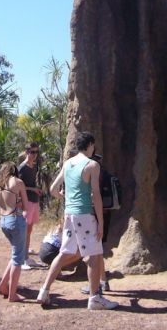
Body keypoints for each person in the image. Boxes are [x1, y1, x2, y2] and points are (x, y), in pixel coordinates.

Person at [36, 131, 118, 311]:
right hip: (85, 215)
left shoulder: (68, 163)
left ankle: (43, 291)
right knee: (95, 255)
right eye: (93, 145)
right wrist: (101, 223)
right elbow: (96, 196)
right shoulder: (92, 165)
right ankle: (95, 297)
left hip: (69, 215)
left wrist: (64, 196)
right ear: (90, 145)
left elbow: (52, 189)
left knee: (63, 253)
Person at [0, 161, 30, 302]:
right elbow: (26, 206)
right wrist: (20, 204)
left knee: (16, 254)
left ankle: (3, 285)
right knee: (17, 259)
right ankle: (12, 294)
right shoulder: (18, 182)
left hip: (3, 221)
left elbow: (2, 204)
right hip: (16, 220)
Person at [80, 153, 111, 294]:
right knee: (98, 250)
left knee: (92, 252)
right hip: (104, 213)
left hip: (94, 213)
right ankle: (103, 281)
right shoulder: (103, 172)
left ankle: (96, 284)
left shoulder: (95, 173)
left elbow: (94, 194)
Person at [17, 142, 43, 270]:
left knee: (29, 229)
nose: (34, 155)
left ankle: (26, 256)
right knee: (25, 230)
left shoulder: (33, 167)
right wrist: (33, 189)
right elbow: (18, 186)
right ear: (26, 152)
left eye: (36, 152)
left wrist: (35, 190)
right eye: (32, 152)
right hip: (26, 201)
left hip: (34, 200)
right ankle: (22, 258)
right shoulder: (22, 167)